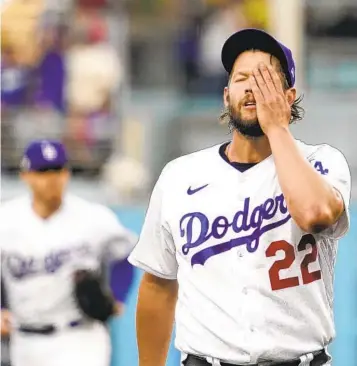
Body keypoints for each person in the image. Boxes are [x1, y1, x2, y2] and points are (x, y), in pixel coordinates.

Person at [128, 28, 351, 366]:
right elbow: (158, 284)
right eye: (241, 78)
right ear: (225, 94)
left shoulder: (322, 161)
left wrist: (277, 127)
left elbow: (314, 213)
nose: (251, 87)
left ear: (288, 97)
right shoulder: (179, 176)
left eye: (264, 79)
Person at [0, 139, 137, 366]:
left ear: (67, 173)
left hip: (80, 337)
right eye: (43, 172)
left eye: (58, 170)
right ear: (26, 176)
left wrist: (118, 295)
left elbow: (125, 255)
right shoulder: (6, 219)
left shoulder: (93, 217)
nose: (52, 179)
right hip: (24, 341)